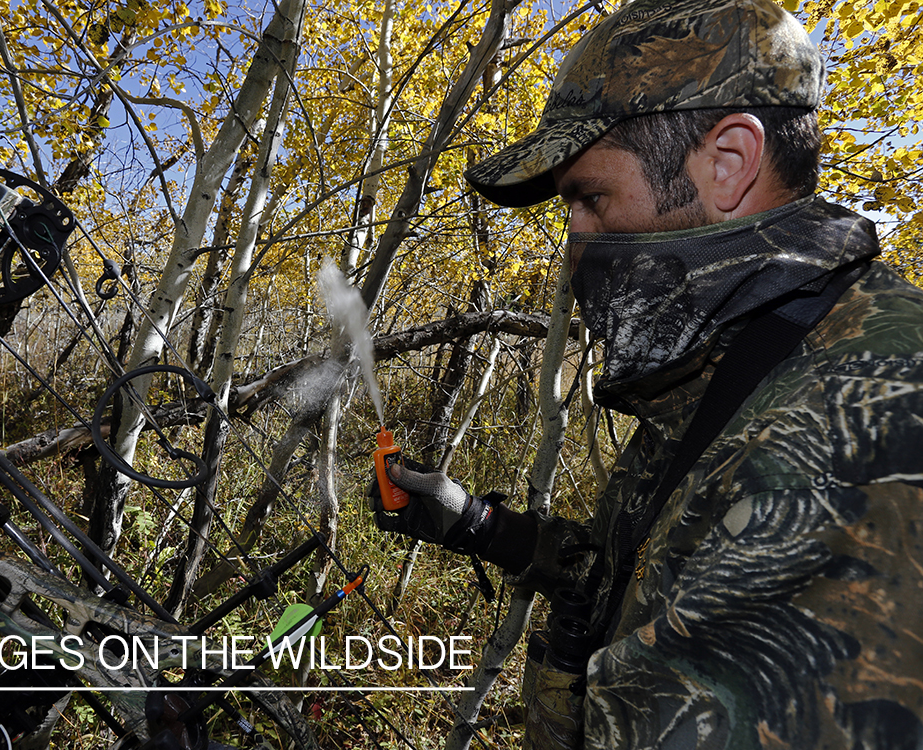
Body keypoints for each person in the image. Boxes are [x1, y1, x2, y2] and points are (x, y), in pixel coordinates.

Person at [370, 0, 923, 747]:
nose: (573, 244)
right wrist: (478, 523)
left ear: (727, 163)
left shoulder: (860, 420)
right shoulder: (744, 363)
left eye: (590, 198)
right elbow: (639, 574)